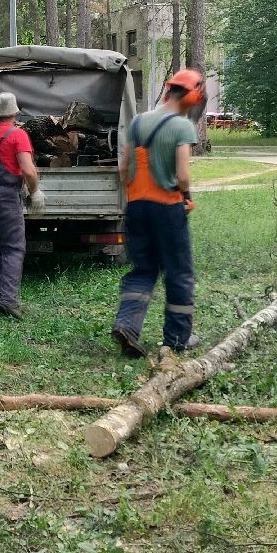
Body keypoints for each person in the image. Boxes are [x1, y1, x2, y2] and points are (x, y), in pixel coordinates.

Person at [112, 70, 204, 358]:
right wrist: (183, 195)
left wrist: (136, 197)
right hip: (167, 209)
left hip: (137, 208)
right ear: (192, 95)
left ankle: (128, 325)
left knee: (143, 270)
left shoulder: (139, 121)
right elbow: (183, 176)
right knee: (179, 274)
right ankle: (177, 339)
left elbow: (124, 168)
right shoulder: (182, 126)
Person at [0, 92, 43, 319]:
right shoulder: (18, 135)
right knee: (13, 247)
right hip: (6, 195)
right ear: (14, 113)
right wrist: (35, 191)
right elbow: (28, 169)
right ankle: (8, 301)